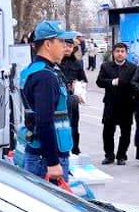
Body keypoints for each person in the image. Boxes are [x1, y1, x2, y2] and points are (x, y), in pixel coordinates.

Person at [18, 21, 73, 182]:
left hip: (42, 154)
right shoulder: (45, 77)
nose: (65, 46)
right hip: (45, 159)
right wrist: (53, 162)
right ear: (48, 44)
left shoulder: (36, 70)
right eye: (61, 41)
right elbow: (44, 121)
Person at [95, 42, 136, 165]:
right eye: (117, 51)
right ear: (113, 53)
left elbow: (136, 84)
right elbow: (99, 82)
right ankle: (109, 155)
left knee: (126, 132)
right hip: (110, 104)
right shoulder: (106, 66)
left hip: (127, 104)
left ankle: (121, 156)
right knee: (107, 132)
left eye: (122, 51)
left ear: (126, 53)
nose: (120, 54)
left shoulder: (133, 68)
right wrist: (112, 82)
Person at [59, 32, 88, 156]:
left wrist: (78, 85)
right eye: (65, 46)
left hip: (73, 99)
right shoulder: (56, 62)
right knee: (61, 126)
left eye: (70, 46)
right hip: (59, 100)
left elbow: (84, 80)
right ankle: (62, 149)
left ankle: (75, 149)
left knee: (74, 126)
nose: (67, 49)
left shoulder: (77, 64)